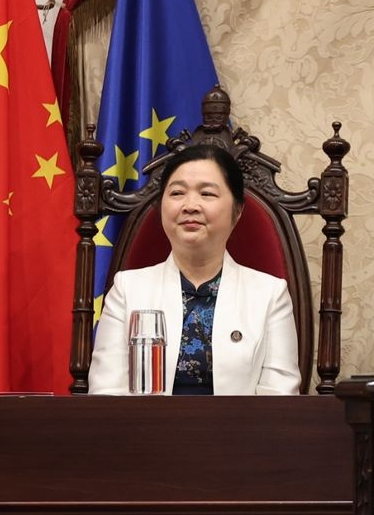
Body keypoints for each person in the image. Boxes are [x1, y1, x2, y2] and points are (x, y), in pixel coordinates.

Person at [89, 143, 300, 394]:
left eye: (207, 194)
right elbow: (106, 394)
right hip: (144, 432)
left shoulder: (270, 294)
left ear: (237, 211)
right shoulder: (127, 290)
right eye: (177, 193)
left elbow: (279, 402)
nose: (190, 205)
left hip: (241, 433)